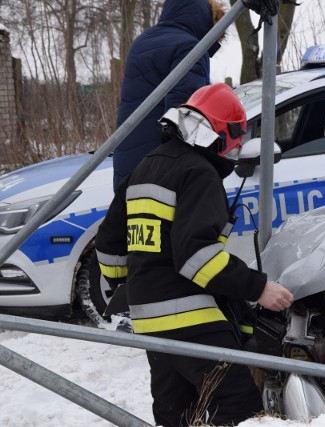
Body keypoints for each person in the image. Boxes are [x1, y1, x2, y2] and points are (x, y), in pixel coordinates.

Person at [96, 84, 294, 427]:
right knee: (238, 402)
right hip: (189, 317)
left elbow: (108, 244)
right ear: (221, 132)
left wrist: (130, 286)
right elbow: (196, 256)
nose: (234, 146)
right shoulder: (198, 173)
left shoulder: (145, 167)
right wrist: (259, 287)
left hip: (148, 319)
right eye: (235, 135)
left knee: (177, 413)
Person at [113, 0, 226, 191]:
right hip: (160, 167)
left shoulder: (142, 41)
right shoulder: (191, 48)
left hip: (127, 161)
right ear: (207, 24)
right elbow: (182, 118)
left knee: (130, 218)